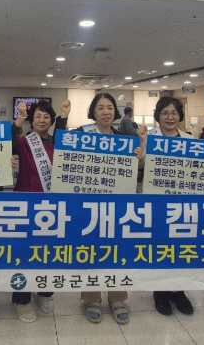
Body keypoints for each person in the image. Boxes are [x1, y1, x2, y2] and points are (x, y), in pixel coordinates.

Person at [76, 92, 146, 324]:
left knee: (117, 251)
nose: (106, 112)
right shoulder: (81, 134)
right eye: (101, 108)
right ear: (93, 112)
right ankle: (92, 298)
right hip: (89, 204)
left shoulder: (124, 139)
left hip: (117, 206)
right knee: (91, 250)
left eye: (109, 108)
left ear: (115, 112)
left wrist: (140, 151)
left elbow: (135, 169)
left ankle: (117, 297)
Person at [10, 99, 70, 322]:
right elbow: (8, 141)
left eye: (47, 116)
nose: (42, 120)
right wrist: (20, 117)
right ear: (31, 120)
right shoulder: (23, 142)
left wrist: (65, 116)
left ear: (52, 120)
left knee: (49, 252)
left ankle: (45, 292)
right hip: (26, 205)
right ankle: (21, 298)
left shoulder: (58, 143)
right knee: (25, 254)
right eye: (38, 116)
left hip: (53, 207)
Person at [149, 97, 196, 316]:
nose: (170, 117)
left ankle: (178, 291)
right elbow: (138, 167)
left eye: (174, 113)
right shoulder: (149, 138)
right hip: (156, 204)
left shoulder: (190, 139)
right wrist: (140, 150)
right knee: (160, 248)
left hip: (183, 205)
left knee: (180, 248)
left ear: (180, 116)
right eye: (165, 113)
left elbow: (200, 170)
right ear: (158, 116)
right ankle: (160, 292)